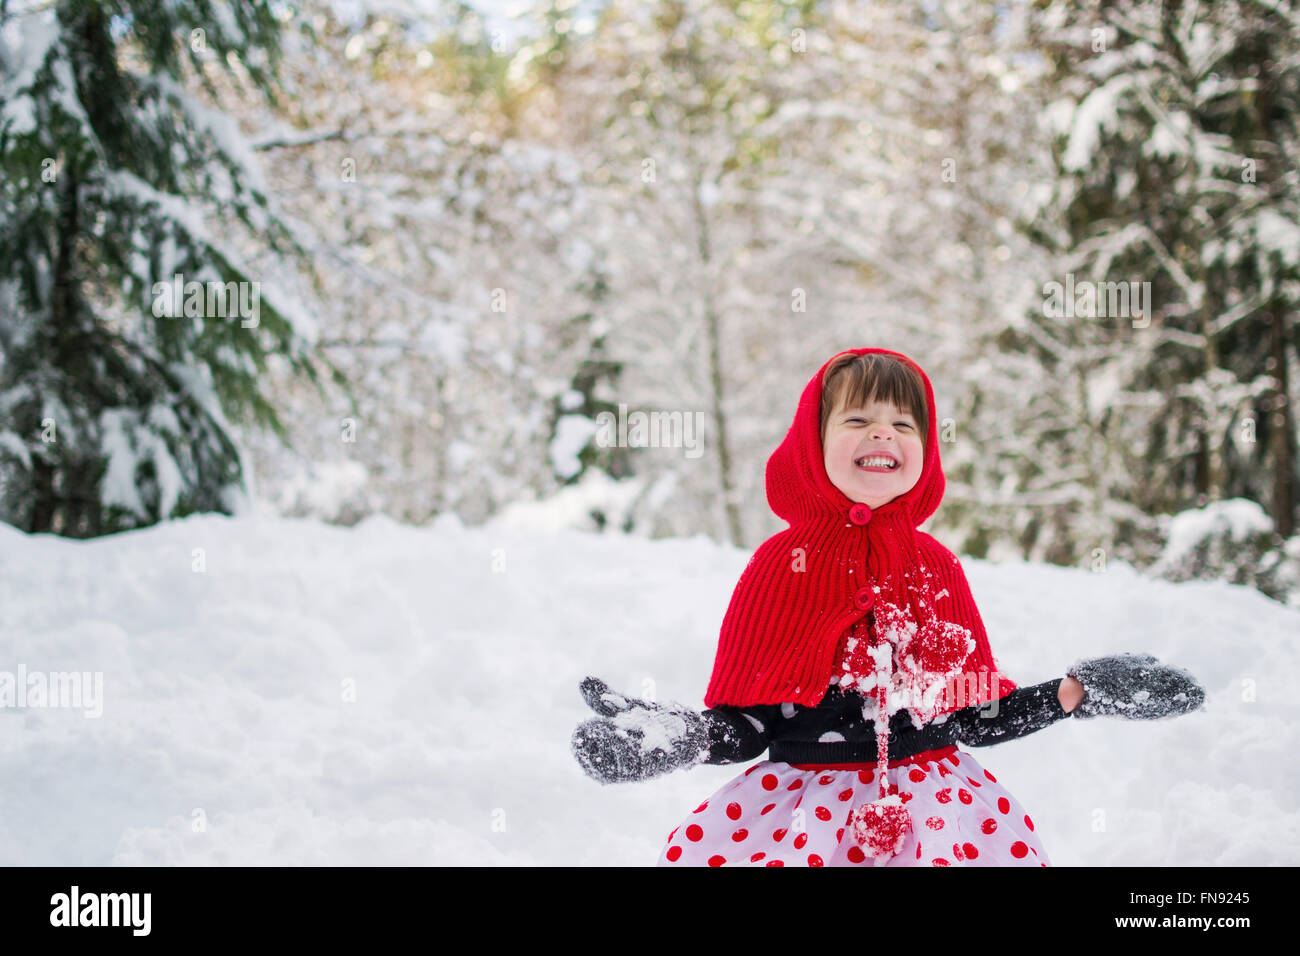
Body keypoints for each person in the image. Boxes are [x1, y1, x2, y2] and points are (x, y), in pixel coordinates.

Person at [571, 347, 1205, 866]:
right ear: (808, 446)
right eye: (857, 420)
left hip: (939, 821)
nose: (884, 432)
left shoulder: (936, 567)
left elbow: (971, 717)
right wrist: (684, 737)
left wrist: (1075, 692)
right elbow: (752, 724)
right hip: (799, 821)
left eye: (905, 424)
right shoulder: (777, 567)